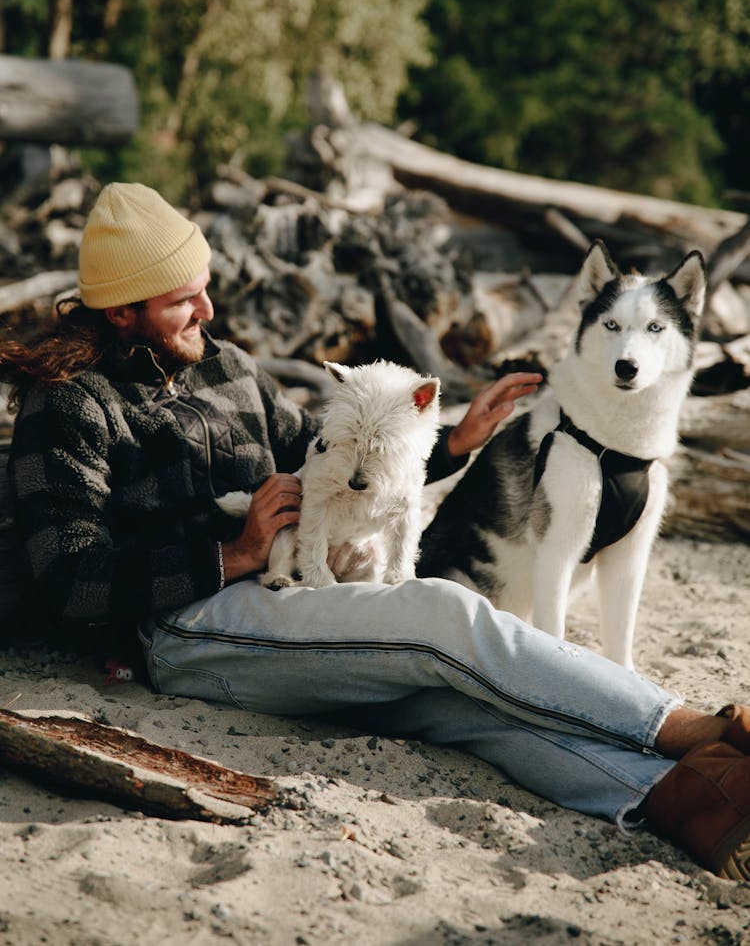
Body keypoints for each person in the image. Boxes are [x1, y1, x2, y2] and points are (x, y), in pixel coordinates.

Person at [2, 182, 749, 882]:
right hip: (185, 628)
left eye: (205, 285)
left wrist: (456, 442)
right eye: (180, 300)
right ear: (121, 311)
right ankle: (689, 728)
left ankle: (682, 796)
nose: (207, 308)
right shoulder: (68, 404)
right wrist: (232, 554)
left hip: (294, 589)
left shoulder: (223, 363)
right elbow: (67, 574)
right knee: (436, 614)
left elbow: (332, 464)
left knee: (458, 703)